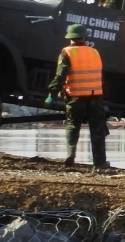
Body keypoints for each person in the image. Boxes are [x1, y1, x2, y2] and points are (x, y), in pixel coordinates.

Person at [46, 24, 109, 170]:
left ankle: (71, 154)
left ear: (70, 38)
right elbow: (100, 76)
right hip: (95, 96)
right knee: (97, 130)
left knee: (73, 126)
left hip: (75, 96)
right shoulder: (94, 52)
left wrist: (52, 94)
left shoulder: (67, 53)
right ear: (84, 37)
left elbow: (60, 75)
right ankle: (100, 163)